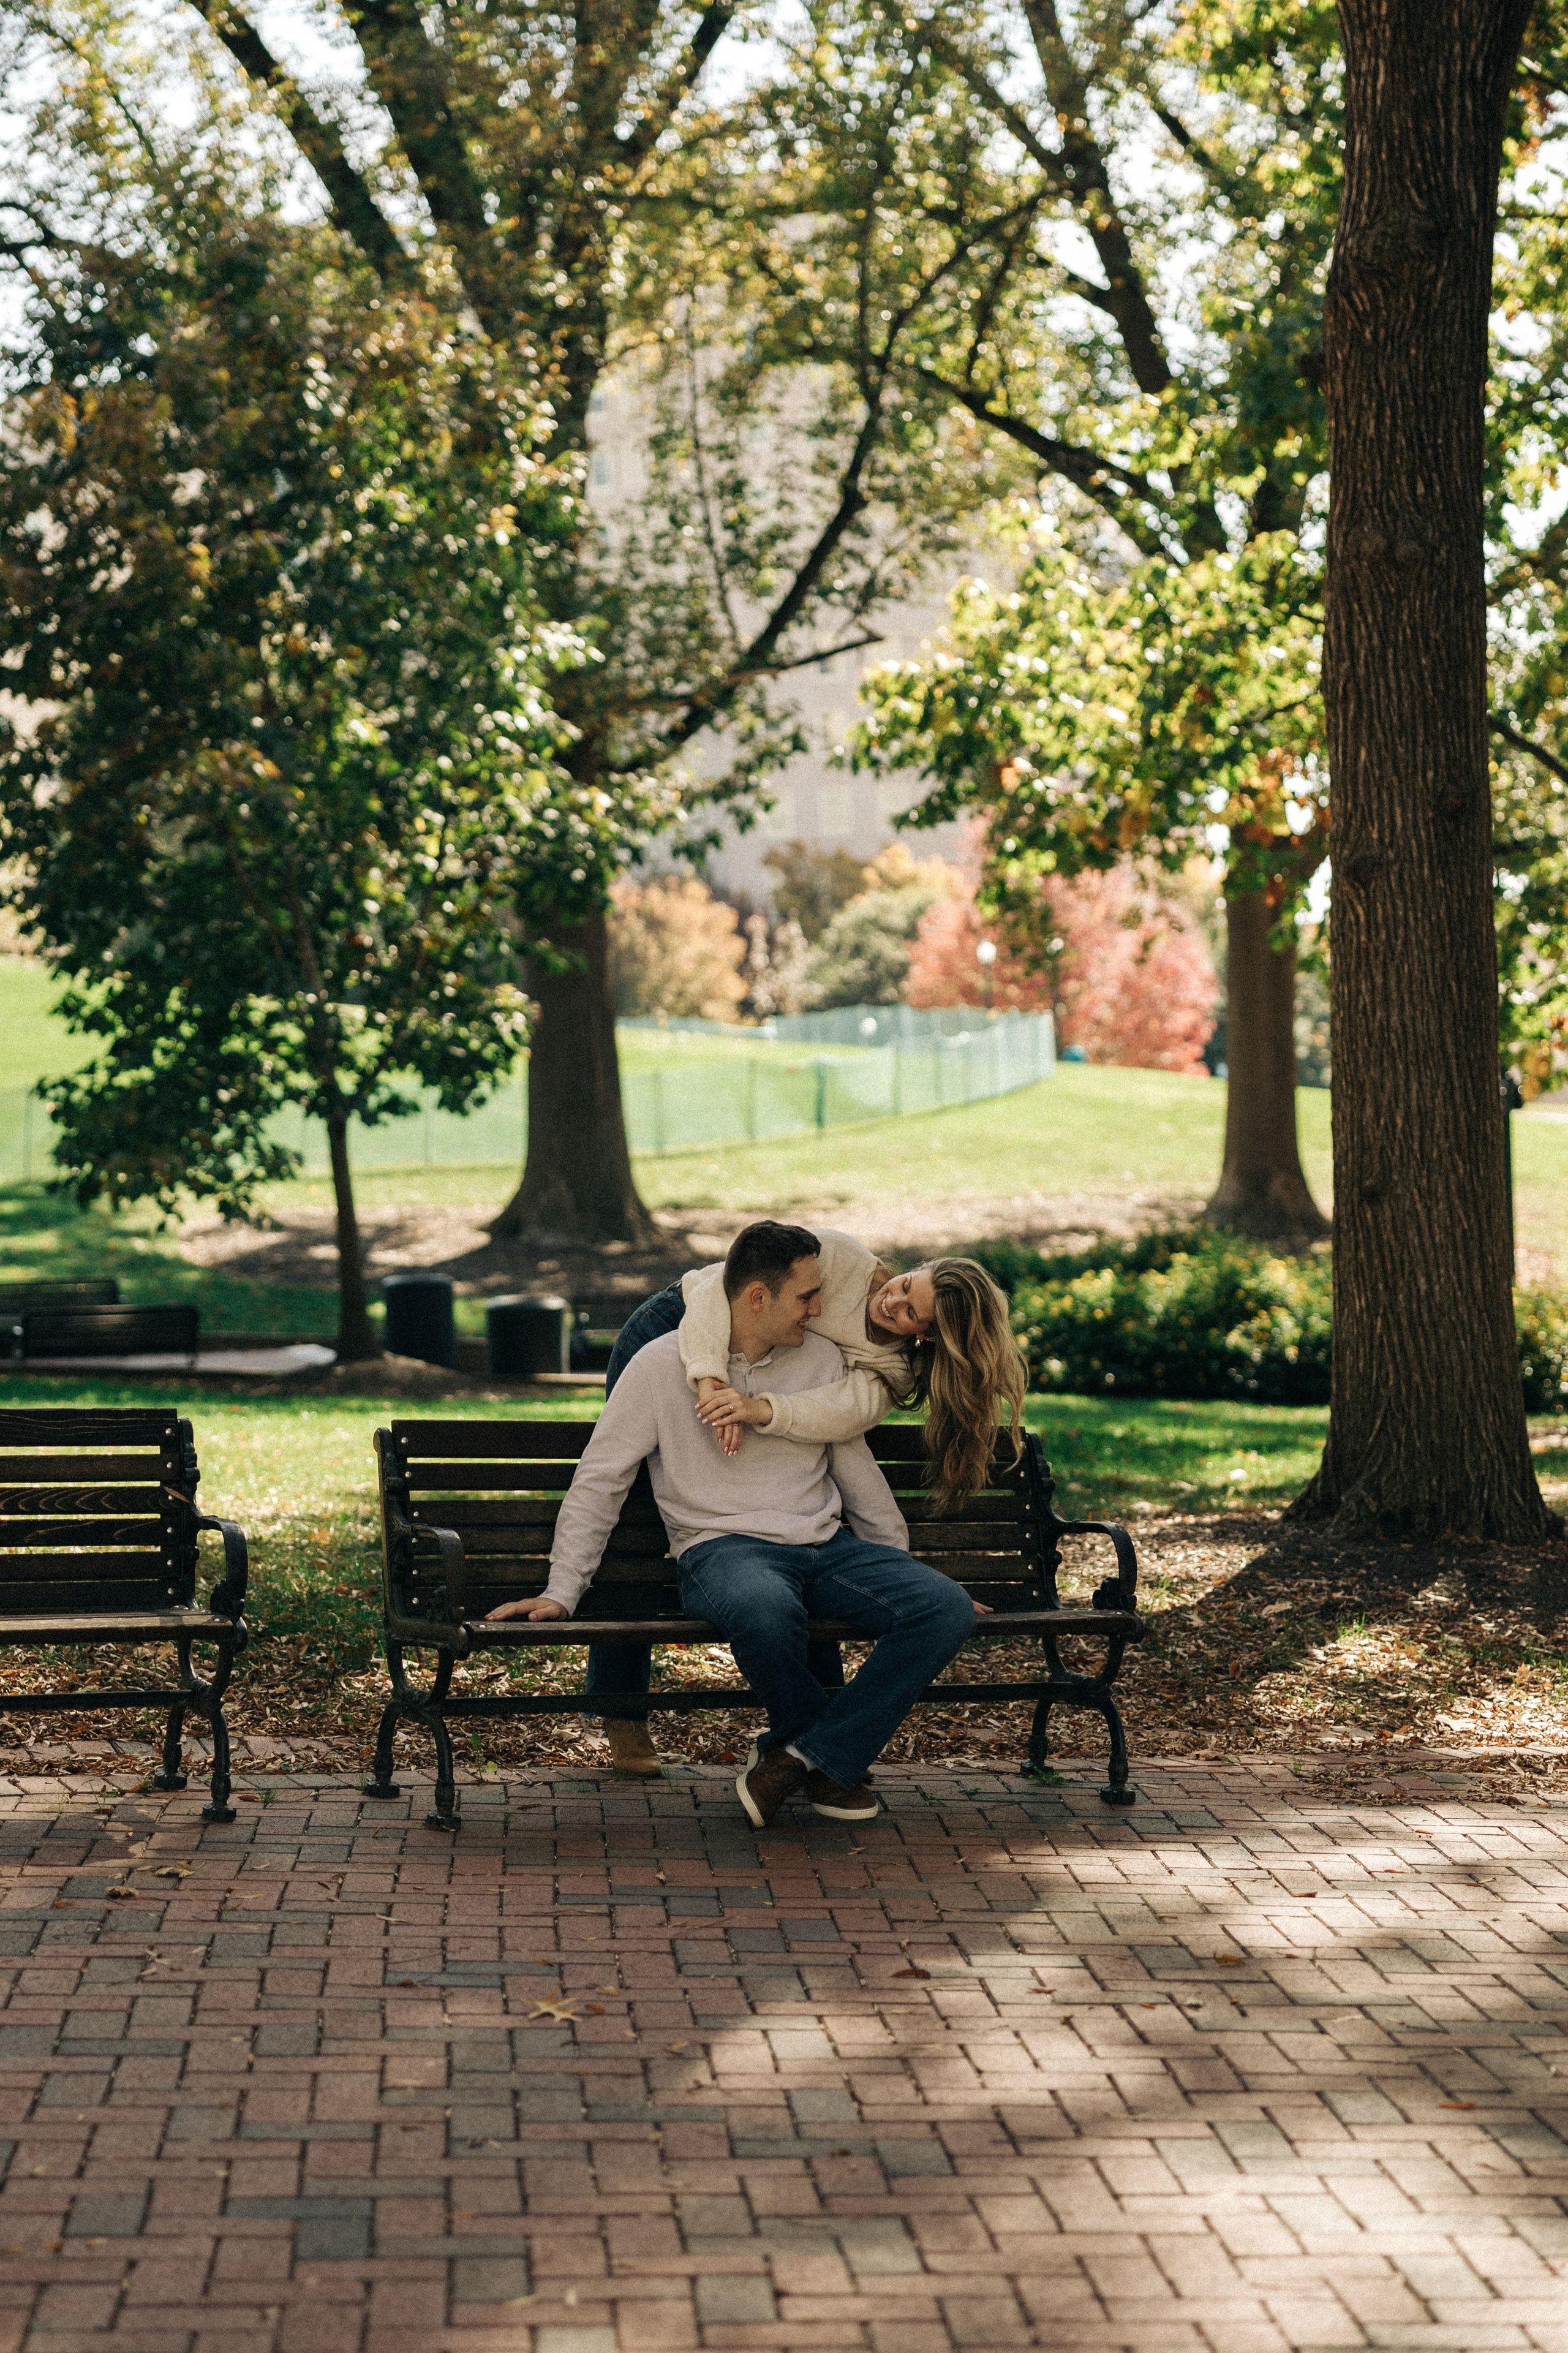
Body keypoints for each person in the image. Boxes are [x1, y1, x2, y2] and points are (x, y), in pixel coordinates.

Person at [486, 1221, 985, 1825]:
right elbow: (603, 1477)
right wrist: (562, 1590)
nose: (824, 1308)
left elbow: (858, 1477)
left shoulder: (828, 1361)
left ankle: (802, 1756)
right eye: (806, 1297)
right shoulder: (658, 1364)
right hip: (724, 1551)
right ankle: (823, 1757)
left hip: (826, 1547)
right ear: (756, 1297)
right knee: (764, 1609)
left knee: (945, 1609)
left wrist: (909, 1577)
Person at [584, 1223, 1025, 1773]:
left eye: (912, 1313)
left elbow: (835, 1427)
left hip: (779, 1371)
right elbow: (724, 1291)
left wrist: (901, 1571)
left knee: (795, 1510)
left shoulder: (887, 1367)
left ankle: (809, 1735)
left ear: (928, 1339)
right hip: (688, 1317)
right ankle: (623, 1710)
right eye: (907, 1283)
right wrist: (707, 1379)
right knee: (636, 1512)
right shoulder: (842, 1260)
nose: (893, 1300)